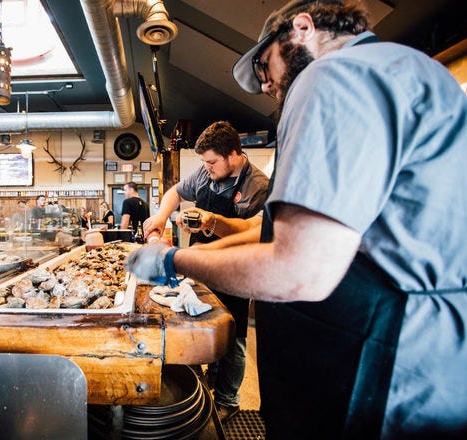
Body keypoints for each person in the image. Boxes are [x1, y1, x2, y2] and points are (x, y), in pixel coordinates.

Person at [126, 0, 467, 438]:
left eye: (264, 66)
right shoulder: (407, 70)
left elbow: (298, 267)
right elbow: (266, 231)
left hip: (377, 370)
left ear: (302, 28)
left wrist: (173, 262)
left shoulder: (333, 75)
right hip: (430, 365)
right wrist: (175, 256)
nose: (266, 85)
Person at [143, 120, 269, 422]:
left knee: (232, 337)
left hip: (235, 271)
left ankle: (228, 400)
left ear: (233, 154)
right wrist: (161, 217)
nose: (206, 168)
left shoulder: (258, 187)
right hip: (202, 266)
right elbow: (175, 192)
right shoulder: (205, 172)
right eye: (204, 162)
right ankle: (210, 381)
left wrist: (211, 221)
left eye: (211, 162)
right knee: (203, 326)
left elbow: (251, 231)